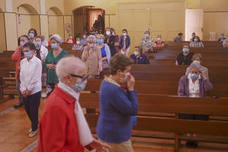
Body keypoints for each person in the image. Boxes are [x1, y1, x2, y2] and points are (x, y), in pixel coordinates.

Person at [38, 56, 110, 152]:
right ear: (68, 78)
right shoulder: (56, 106)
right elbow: (53, 149)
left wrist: (91, 143)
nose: (86, 81)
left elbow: (75, 131)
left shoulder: (69, 97)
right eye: (83, 77)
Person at [97, 53, 138, 152]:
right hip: (115, 136)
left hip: (108, 132)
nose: (129, 74)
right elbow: (132, 110)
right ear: (119, 71)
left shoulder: (106, 82)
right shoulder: (113, 89)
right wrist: (131, 89)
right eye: (127, 71)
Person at [178, 65, 213, 148]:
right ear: (189, 72)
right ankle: (189, 138)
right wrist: (187, 102)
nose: (194, 74)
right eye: (192, 72)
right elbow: (180, 93)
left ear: (199, 73)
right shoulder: (184, 79)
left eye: (196, 72)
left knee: (199, 117)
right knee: (187, 116)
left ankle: (195, 138)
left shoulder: (202, 80)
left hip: (200, 105)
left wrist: (205, 78)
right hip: (187, 104)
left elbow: (209, 88)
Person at [20, 42, 42, 137]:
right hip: (25, 89)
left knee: (33, 110)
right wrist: (23, 89)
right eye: (24, 51)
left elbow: (36, 77)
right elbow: (21, 76)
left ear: (33, 51)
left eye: (27, 51)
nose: (25, 53)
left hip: (35, 90)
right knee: (27, 109)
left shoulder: (37, 62)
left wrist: (29, 89)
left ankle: (34, 128)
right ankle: (35, 123)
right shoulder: (23, 62)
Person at [11, 35, 29, 108]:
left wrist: (22, 67)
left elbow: (29, 59)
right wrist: (18, 49)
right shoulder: (18, 49)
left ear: (27, 41)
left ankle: (27, 102)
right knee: (18, 88)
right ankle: (20, 102)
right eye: (21, 40)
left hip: (27, 73)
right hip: (19, 73)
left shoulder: (30, 49)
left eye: (24, 40)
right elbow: (13, 58)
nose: (22, 42)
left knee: (26, 88)